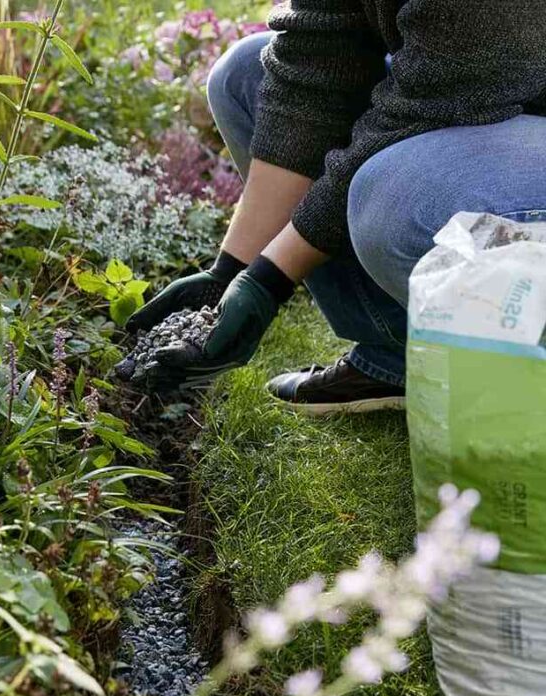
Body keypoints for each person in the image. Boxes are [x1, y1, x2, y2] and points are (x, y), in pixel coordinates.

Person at [125, 0, 546, 415]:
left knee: (394, 195)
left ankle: (521, 363)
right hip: (478, 98)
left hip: (502, 109)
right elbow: (320, 54)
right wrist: (231, 272)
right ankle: (396, 352)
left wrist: (267, 281)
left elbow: (437, 106)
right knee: (245, 75)